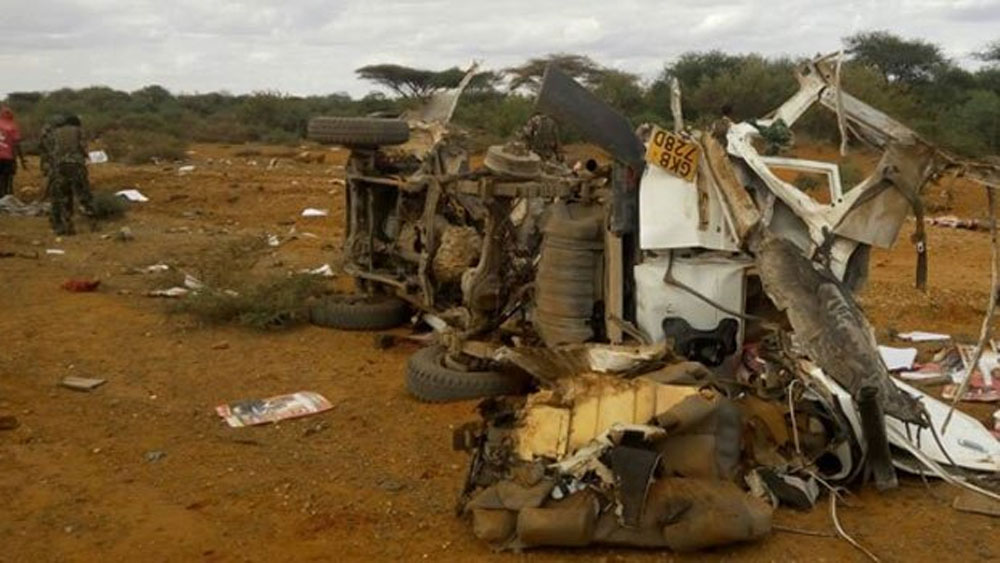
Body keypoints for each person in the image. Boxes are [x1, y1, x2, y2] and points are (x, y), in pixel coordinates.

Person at [46, 114, 94, 235]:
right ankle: (93, 222)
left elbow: (50, 149)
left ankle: (61, 225)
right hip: (76, 164)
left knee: (62, 195)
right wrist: (86, 157)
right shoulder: (78, 131)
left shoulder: (56, 132)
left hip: (59, 166)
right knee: (83, 194)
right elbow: (83, 147)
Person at [0, 106, 27, 197]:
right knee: (9, 177)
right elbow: (17, 145)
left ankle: (1, 195)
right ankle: (8, 194)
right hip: (9, 157)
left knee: (1, 177)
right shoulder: (13, 126)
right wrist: (22, 160)